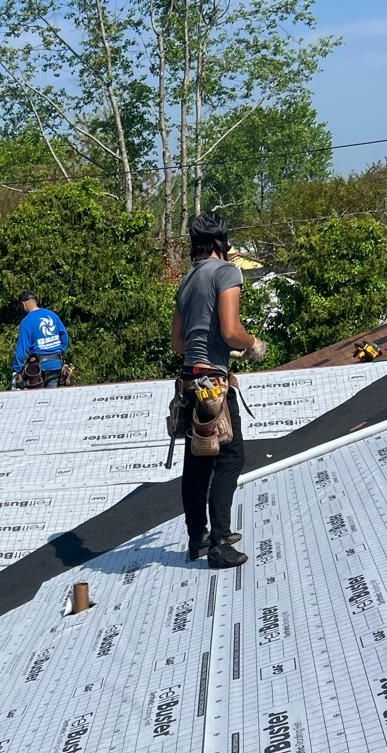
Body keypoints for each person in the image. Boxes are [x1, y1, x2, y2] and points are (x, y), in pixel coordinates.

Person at [172, 213, 266, 567]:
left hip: (189, 382)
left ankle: (198, 538)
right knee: (230, 457)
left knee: (197, 463)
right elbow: (230, 330)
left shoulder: (186, 281)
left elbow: (178, 343)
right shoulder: (226, 272)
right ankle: (221, 544)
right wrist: (252, 343)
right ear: (220, 245)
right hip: (214, 385)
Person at [11, 291, 69, 388]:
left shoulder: (26, 322)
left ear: (23, 304)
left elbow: (21, 350)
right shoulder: (51, 315)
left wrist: (16, 371)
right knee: (53, 398)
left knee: (35, 400)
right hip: (56, 365)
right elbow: (64, 337)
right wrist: (60, 351)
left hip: (37, 369)